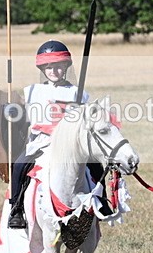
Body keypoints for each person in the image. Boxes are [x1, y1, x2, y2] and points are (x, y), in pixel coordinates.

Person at [7, 40, 106, 229]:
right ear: (43, 69)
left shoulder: (79, 93)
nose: (54, 71)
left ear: (66, 67)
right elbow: (23, 117)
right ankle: (17, 210)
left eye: (58, 67)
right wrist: (12, 112)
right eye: (49, 67)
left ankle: (101, 201)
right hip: (41, 143)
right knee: (19, 165)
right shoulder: (31, 91)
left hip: (71, 146)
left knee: (95, 165)